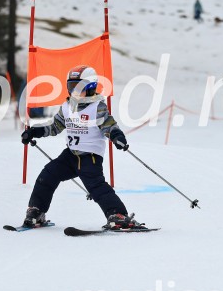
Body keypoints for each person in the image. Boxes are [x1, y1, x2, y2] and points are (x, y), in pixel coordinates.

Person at [19, 65, 145, 230]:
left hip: (90, 157)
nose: (75, 92)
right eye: (72, 87)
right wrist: (36, 131)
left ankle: (118, 215)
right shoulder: (67, 106)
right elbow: (55, 126)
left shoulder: (96, 107)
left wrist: (117, 136)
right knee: (47, 175)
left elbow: (109, 125)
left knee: (96, 186)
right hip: (71, 155)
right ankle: (36, 211)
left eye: (79, 87)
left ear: (91, 87)